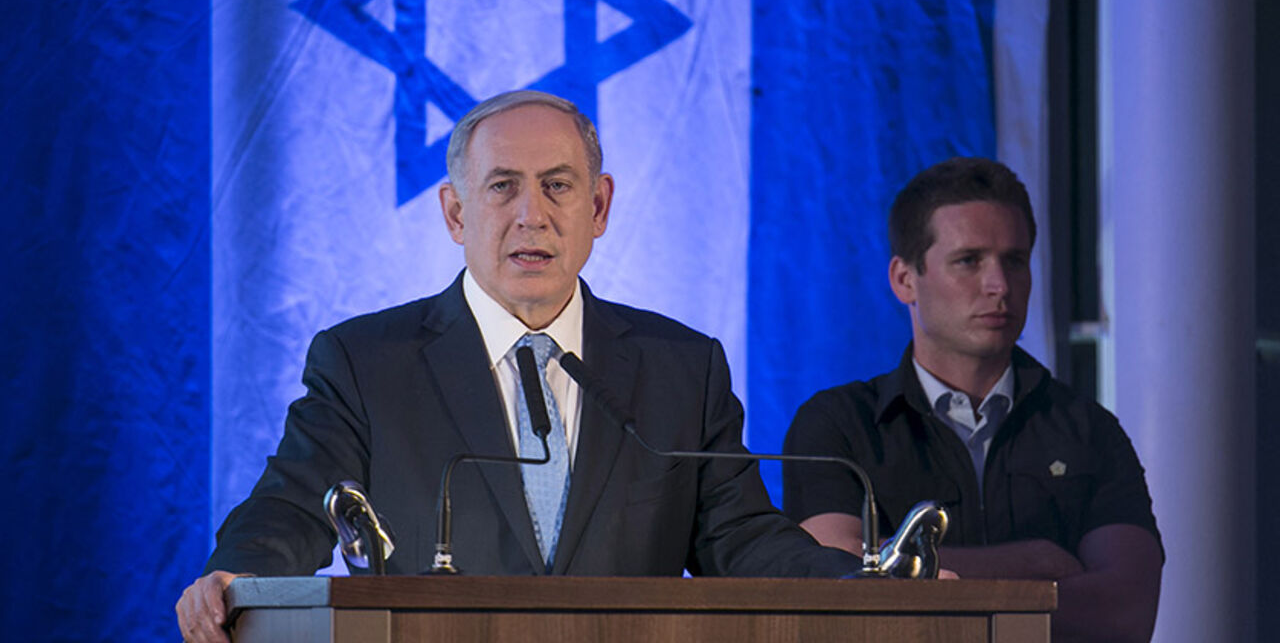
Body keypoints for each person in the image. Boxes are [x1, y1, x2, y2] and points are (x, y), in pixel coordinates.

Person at [176, 90, 859, 643]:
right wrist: (242, 574)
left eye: (558, 187)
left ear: (598, 207)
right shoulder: (366, 361)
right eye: (502, 187)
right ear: (454, 212)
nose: (532, 216)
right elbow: (297, 503)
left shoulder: (683, 367)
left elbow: (738, 537)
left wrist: (858, 588)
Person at [782, 158, 1163, 642]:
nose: (999, 286)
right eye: (969, 261)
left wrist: (906, 567)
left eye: (1015, 261)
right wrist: (1035, 563)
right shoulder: (840, 424)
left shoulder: (1089, 430)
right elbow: (841, 583)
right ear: (904, 280)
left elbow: (1124, 613)